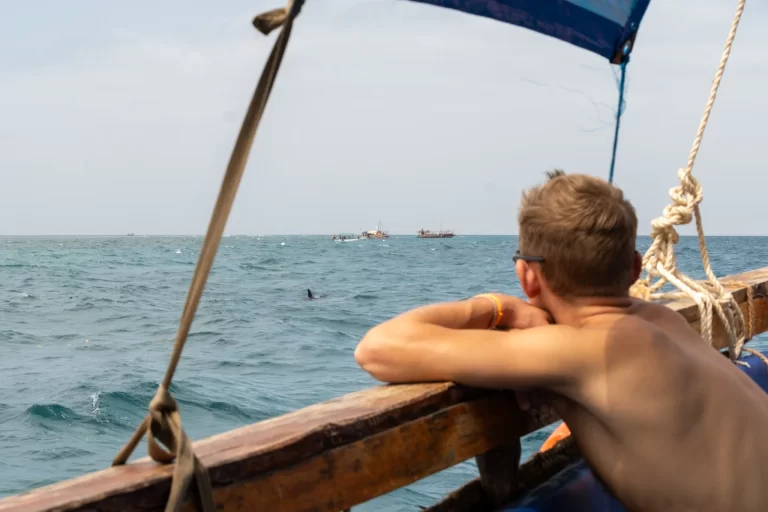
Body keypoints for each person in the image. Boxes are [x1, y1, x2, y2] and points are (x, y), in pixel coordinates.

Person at [354, 170, 768, 512]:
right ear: (634, 269)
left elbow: (378, 349)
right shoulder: (663, 320)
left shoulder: (584, 349)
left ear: (527, 277)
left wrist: (498, 307)